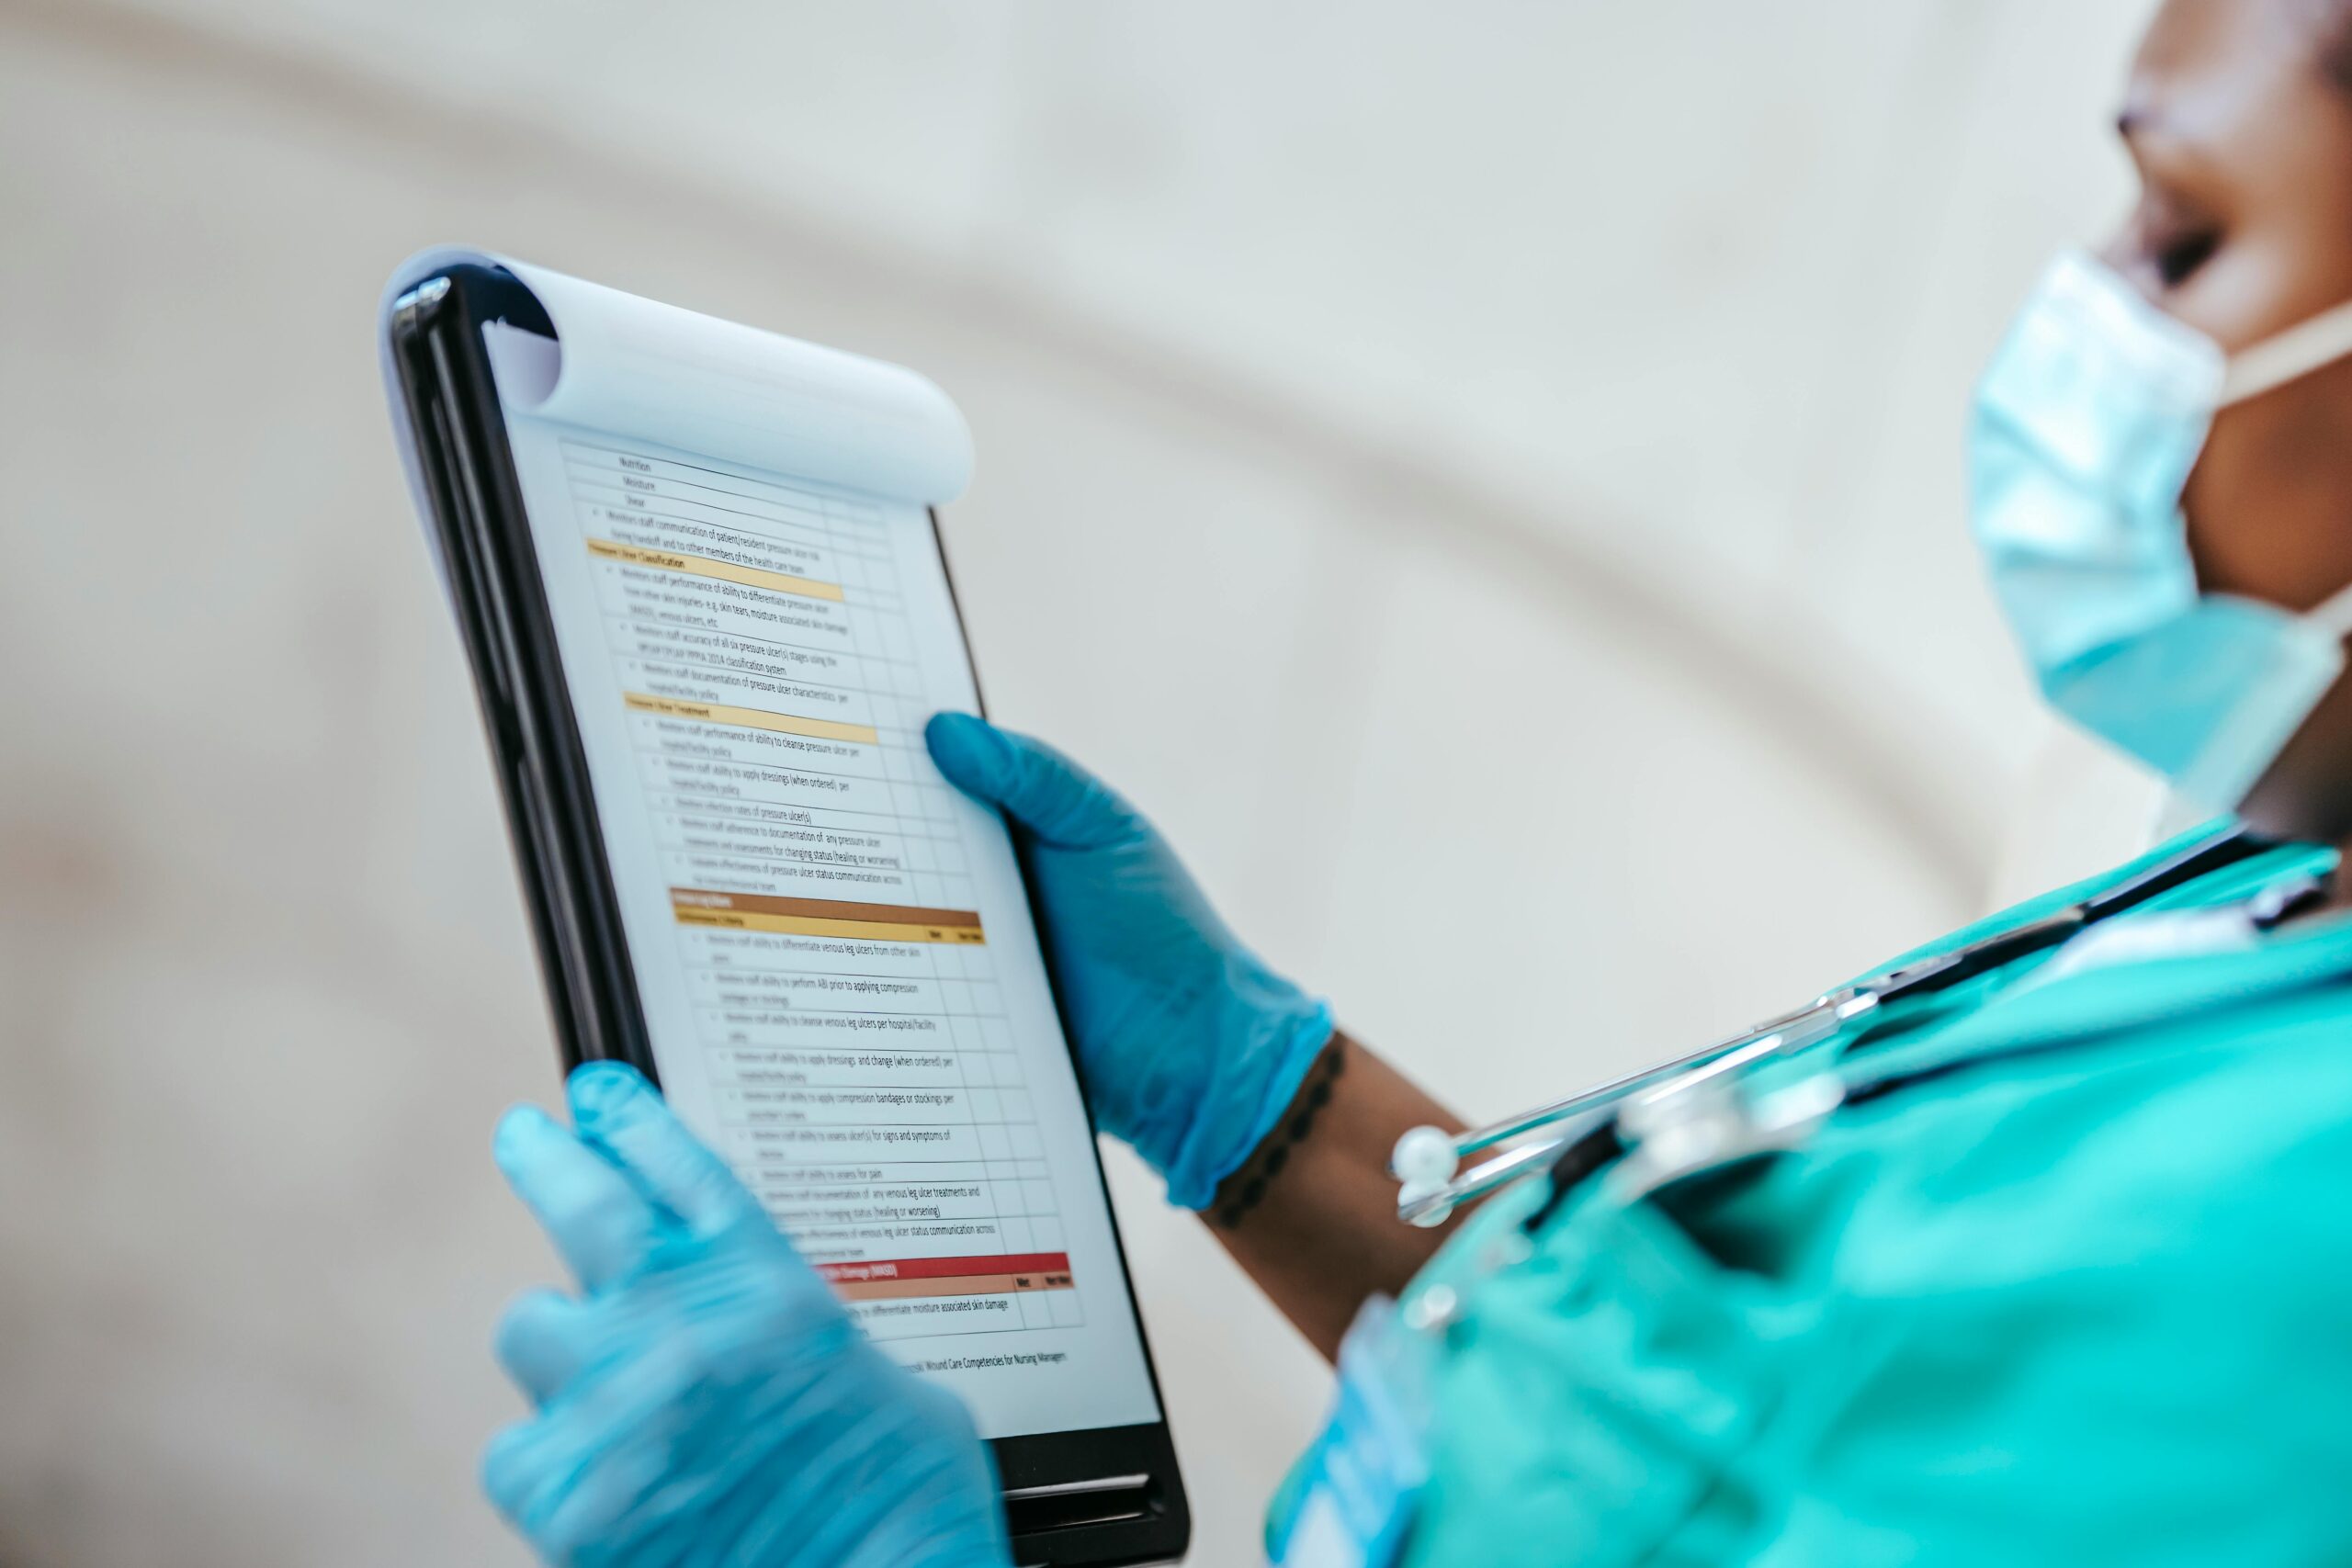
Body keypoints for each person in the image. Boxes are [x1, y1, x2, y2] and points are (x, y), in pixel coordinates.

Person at [473, 0, 2352, 1562]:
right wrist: (1268, 1104)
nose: (2084, 318)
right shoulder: (2248, 882)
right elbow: (1691, 1438)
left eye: (2173, 233)